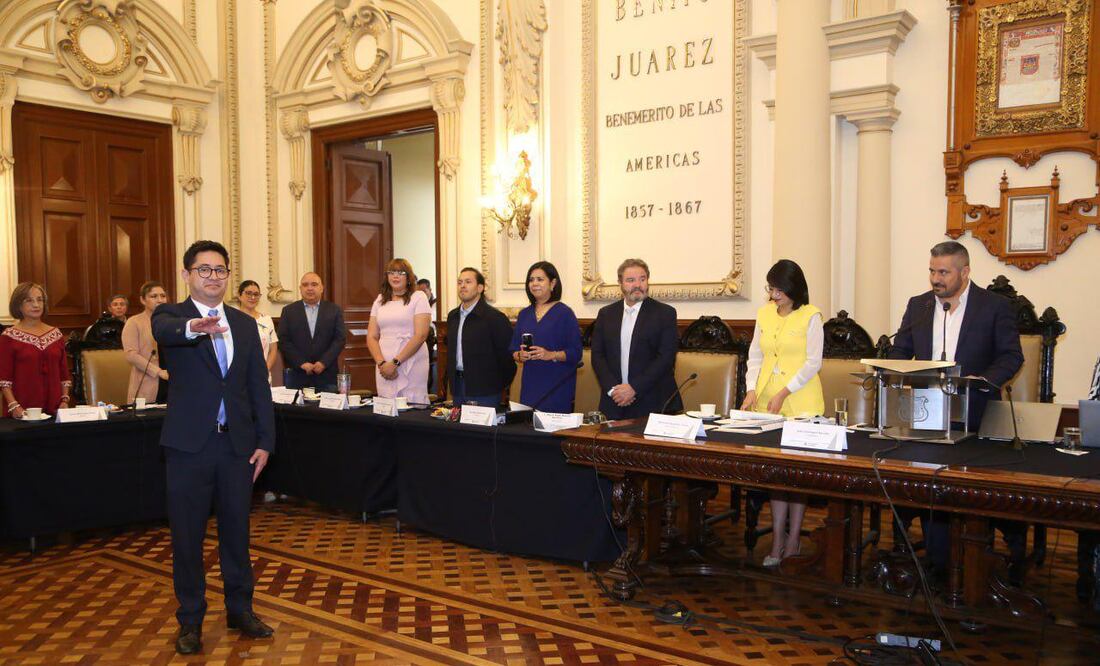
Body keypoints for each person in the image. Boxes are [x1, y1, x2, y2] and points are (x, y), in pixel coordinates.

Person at [152, 240, 275, 655]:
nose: (213, 277)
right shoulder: (172, 316)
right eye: (204, 270)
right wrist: (194, 328)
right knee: (187, 538)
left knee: (236, 534)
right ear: (187, 275)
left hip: (237, 448)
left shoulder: (243, 323)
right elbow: (164, 331)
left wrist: (265, 442)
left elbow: (258, 385)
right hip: (189, 448)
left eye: (220, 270)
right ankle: (190, 620)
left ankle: (241, 608)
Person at [888, 240, 1023, 577]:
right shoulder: (918, 306)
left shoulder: (994, 306)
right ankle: (940, 566)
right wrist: (894, 369)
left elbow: (1011, 356)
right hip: (926, 413)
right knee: (930, 484)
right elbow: (901, 351)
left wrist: (983, 380)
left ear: (964, 272)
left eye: (944, 272)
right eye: (932, 271)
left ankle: (979, 562)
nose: (936, 279)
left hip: (977, 413)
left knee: (973, 493)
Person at [740, 260, 824, 566]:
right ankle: (776, 540)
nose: (774, 295)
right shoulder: (763, 314)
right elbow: (755, 356)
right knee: (776, 475)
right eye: (771, 288)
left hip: (800, 401)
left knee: (795, 476)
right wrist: (751, 389)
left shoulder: (811, 315)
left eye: (779, 289)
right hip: (766, 403)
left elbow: (813, 362)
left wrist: (784, 391)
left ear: (793, 288)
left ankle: (794, 539)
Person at [590, 258, 680, 420]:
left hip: (654, 402)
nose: (638, 285)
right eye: (631, 280)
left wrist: (634, 388)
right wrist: (614, 390)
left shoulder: (665, 313)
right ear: (620, 283)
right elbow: (598, 356)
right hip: (614, 402)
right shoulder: (606, 314)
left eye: (642, 279)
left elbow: (665, 359)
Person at [510, 262, 582, 412]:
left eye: (540, 279)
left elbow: (576, 353)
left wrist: (550, 355)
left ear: (553, 283)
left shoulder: (565, 313)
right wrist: (519, 355)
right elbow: (513, 349)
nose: (534, 283)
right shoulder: (524, 314)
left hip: (557, 385)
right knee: (528, 429)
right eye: (531, 280)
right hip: (530, 385)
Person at [0, 283, 72, 418]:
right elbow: (4, 379)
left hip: (56, 411)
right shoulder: (8, 336)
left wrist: (64, 400)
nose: (36, 305)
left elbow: (64, 375)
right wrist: (14, 406)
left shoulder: (56, 334)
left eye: (40, 300)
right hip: (22, 413)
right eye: (29, 300)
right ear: (18, 305)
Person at [445, 268, 515, 407]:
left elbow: (507, 358)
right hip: (458, 387)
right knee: (457, 428)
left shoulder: (495, 318)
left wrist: (497, 385)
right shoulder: (453, 316)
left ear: (480, 288)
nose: (462, 286)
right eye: (460, 282)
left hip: (485, 390)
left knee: (481, 429)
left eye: (468, 282)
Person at [367, 259, 431, 404]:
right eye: (392, 272)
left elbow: (420, 335)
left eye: (400, 273)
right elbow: (372, 336)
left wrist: (395, 362)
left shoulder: (418, 297)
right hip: (383, 363)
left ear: (408, 277)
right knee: (386, 408)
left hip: (411, 360)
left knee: (411, 406)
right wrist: (382, 364)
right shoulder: (380, 300)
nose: (395, 276)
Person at [277, 272, 346, 392]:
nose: (309, 288)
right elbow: (283, 341)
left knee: (327, 410)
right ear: (300, 289)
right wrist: (301, 363)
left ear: (321, 288)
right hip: (298, 375)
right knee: (298, 411)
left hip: (327, 374)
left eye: (314, 284)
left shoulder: (334, 310)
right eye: (305, 285)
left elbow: (340, 339)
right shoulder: (288, 311)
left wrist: (323, 362)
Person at [121, 281, 169, 404]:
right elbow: (131, 355)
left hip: (173, 382)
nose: (160, 300)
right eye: (154, 296)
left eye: (163, 296)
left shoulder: (173, 322)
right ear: (143, 300)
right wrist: (158, 372)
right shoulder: (134, 322)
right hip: (148, 381)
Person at [237, 280, 279, 382]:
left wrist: (264, 370)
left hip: (262, 376)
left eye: (256, 294)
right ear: (239, 295)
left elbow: (273, 350)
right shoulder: (233, 319)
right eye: (248, 293)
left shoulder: (267, 320)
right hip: (239, 375)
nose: (252, 297)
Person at [417, 278, 439, 394]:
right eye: (418, 292)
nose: (422, 295)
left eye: (424, 291)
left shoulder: (437, 304)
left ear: (430, 290)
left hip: (432, 343)